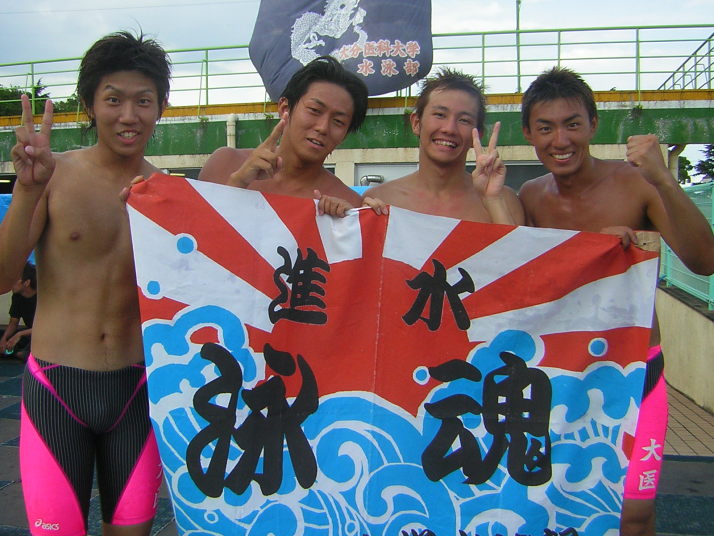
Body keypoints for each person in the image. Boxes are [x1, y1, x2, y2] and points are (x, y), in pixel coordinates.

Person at [518, 66, 714, 536]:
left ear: (593, 124)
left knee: (635, 512)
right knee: (552, 503)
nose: (560, 140)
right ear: (529, 134)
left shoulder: (637, 183)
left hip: (636, 372)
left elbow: (703, 260)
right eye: (546, 128)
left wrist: (664, 180)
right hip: (561, 374)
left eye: (572, 124)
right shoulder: (530, 196)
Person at [1, 31, 172, 536]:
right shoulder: (53, 176)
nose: (128, 115)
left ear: (160, 108)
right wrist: (27, 190)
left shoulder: (170, 197)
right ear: (91, 106)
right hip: (57, 388)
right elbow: (5, 277)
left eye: (143, 101)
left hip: (137, 391)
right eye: (113, 99)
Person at [198, 55, 368, 216]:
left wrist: (346, 226)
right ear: (285, 108)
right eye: (314, 110)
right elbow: (194, 230)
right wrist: (237, 183)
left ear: (345, 134)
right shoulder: (224, 165)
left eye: (338, 121)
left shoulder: (350, 206)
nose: (323, 127)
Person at [362, 68, 524, 225]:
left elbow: (517, 245)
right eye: (440, 115)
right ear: (416, 123)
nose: (449, 129)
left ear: (478, 134)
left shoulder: (504, 201)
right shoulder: (380, 199)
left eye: (464, 120)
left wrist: (493, 201)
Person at [0, 261, 37, 360]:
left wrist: (19, 334)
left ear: (26, 283)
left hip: (44, 335)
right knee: (7, 344)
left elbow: (47, 327)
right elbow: (13, 322)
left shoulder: (43, 297)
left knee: (23, 354)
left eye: (15, 280)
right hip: (29, 333)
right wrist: (4, 339)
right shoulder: (17, 296)